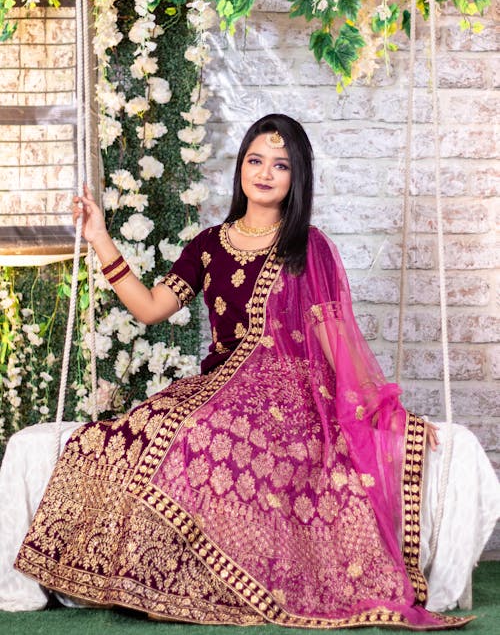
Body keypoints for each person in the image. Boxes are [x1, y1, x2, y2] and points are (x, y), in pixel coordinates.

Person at [13, 114, 479, 628]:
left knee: (201, 434)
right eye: (255, 160)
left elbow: (337, 340)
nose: (264, 173)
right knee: (139, 431)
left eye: (280, 165)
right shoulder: (209, 245)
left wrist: (385, 410)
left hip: (292, 394)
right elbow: (148, 308)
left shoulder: (308, 246)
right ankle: (151, 576)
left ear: (296, 176)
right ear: (241, 168)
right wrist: (100, 236)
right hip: (218, 384)